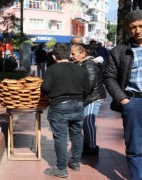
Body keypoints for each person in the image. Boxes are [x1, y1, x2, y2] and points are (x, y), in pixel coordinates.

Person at [103, 9, 142, 180]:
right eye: (133, 27)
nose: (137, 30)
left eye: (141, 26)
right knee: (134, 148)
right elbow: (108, 77)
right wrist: (123, 100)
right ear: (128, 28)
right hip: (134, 103)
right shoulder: (119, 51)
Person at [41, 45, 90, 178]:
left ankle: (61, 169)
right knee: (76, 135)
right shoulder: (80, 69)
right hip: (78, 104)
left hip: (59, 105)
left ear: (54, 56)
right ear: (69, 55)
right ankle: (75, 162)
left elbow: (45, 88)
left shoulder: (52, 69)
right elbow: (87, 88)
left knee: (61, 138)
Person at [70, 44, 106, 156]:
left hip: (92, 97)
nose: (71, 56)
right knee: (87, 121)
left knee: (88, 121)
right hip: (89, 96)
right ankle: (88, 144)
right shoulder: (83, 64)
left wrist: (79, 96)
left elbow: (89, 86)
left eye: (73, 53)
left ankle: (91, 147)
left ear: (83, 53)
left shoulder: (89, 65)